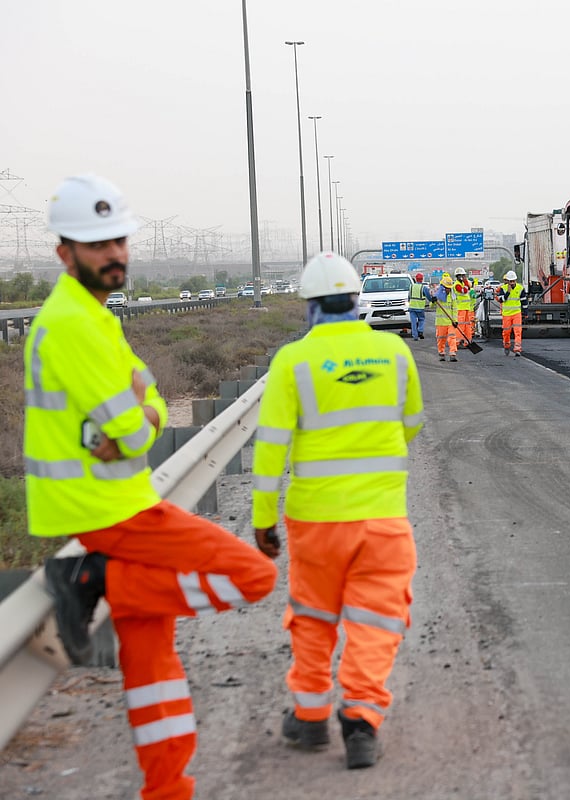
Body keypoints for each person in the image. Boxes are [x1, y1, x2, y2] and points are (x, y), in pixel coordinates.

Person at [29, 174, 277, 800]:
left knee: (152, 664)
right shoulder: (73, 326)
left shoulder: (94, 317)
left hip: (111, 500)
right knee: (255, 575)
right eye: (96, 244)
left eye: (118, 240)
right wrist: (138, 418)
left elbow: (154, 414)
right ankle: (97, 579)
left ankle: (167, 788)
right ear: (65, 254)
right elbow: (134, 429)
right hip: (110, 509)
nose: (114, 253)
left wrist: (141, 416)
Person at [251, 251, 423, 771]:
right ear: (356, 300)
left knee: (312, 616)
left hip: (314, 520)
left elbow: (270, 448)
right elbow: (412, 422)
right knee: (376, 620)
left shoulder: (291, 361)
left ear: (309, 307)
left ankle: (309, 717)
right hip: (383, 518)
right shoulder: (393, 352)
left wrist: (262, 519)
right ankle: (362, 720)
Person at [496, 269, 527, 357]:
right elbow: (501, 300)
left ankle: (517, 349)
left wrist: (525, 312)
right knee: (506, 332)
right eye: (510, 281)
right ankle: (506, 345)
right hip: (506, 314)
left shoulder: (520, 288)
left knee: (518, 331)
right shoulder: (503, 289)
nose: (512, 283)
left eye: (513, 281)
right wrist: (508, 293)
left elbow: (524, 301)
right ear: (507, 281)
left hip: (516, 313)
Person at [433, 273, 459, 362]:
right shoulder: (438, 296)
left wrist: (455, 320)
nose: (448, 289)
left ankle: (452, 353)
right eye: (447, 287)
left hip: (450, 322)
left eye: (449, 288)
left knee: (452, 337)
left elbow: (455, 309)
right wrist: (433, 301)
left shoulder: (452, 296)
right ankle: (441, 353)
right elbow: (431, 306)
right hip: (440, 322)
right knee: (441, 339)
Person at [452, 267, 474, 346]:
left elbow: (469, 286)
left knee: (467, 325)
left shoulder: (463, 283)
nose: (463, 277)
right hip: (460, 308)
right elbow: (464, 290)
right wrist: (465, 282)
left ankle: (467, 341)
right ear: (457, 276)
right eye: (461, 276)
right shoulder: (456, 285)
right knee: (460, 325)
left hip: (466, 308)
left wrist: (466, 282)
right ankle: (458, 341)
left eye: (464, 276)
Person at [408, 272, 431, 340]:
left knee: (413, 322)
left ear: (416, 279)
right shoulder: (423, 288)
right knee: (421, 319)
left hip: (412, 307)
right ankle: (420, 331)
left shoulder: (411, 286)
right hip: (420, 308)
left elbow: (409, 297)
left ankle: (415, 336)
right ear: (422, 279)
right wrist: (432, 300)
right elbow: (428, 297)